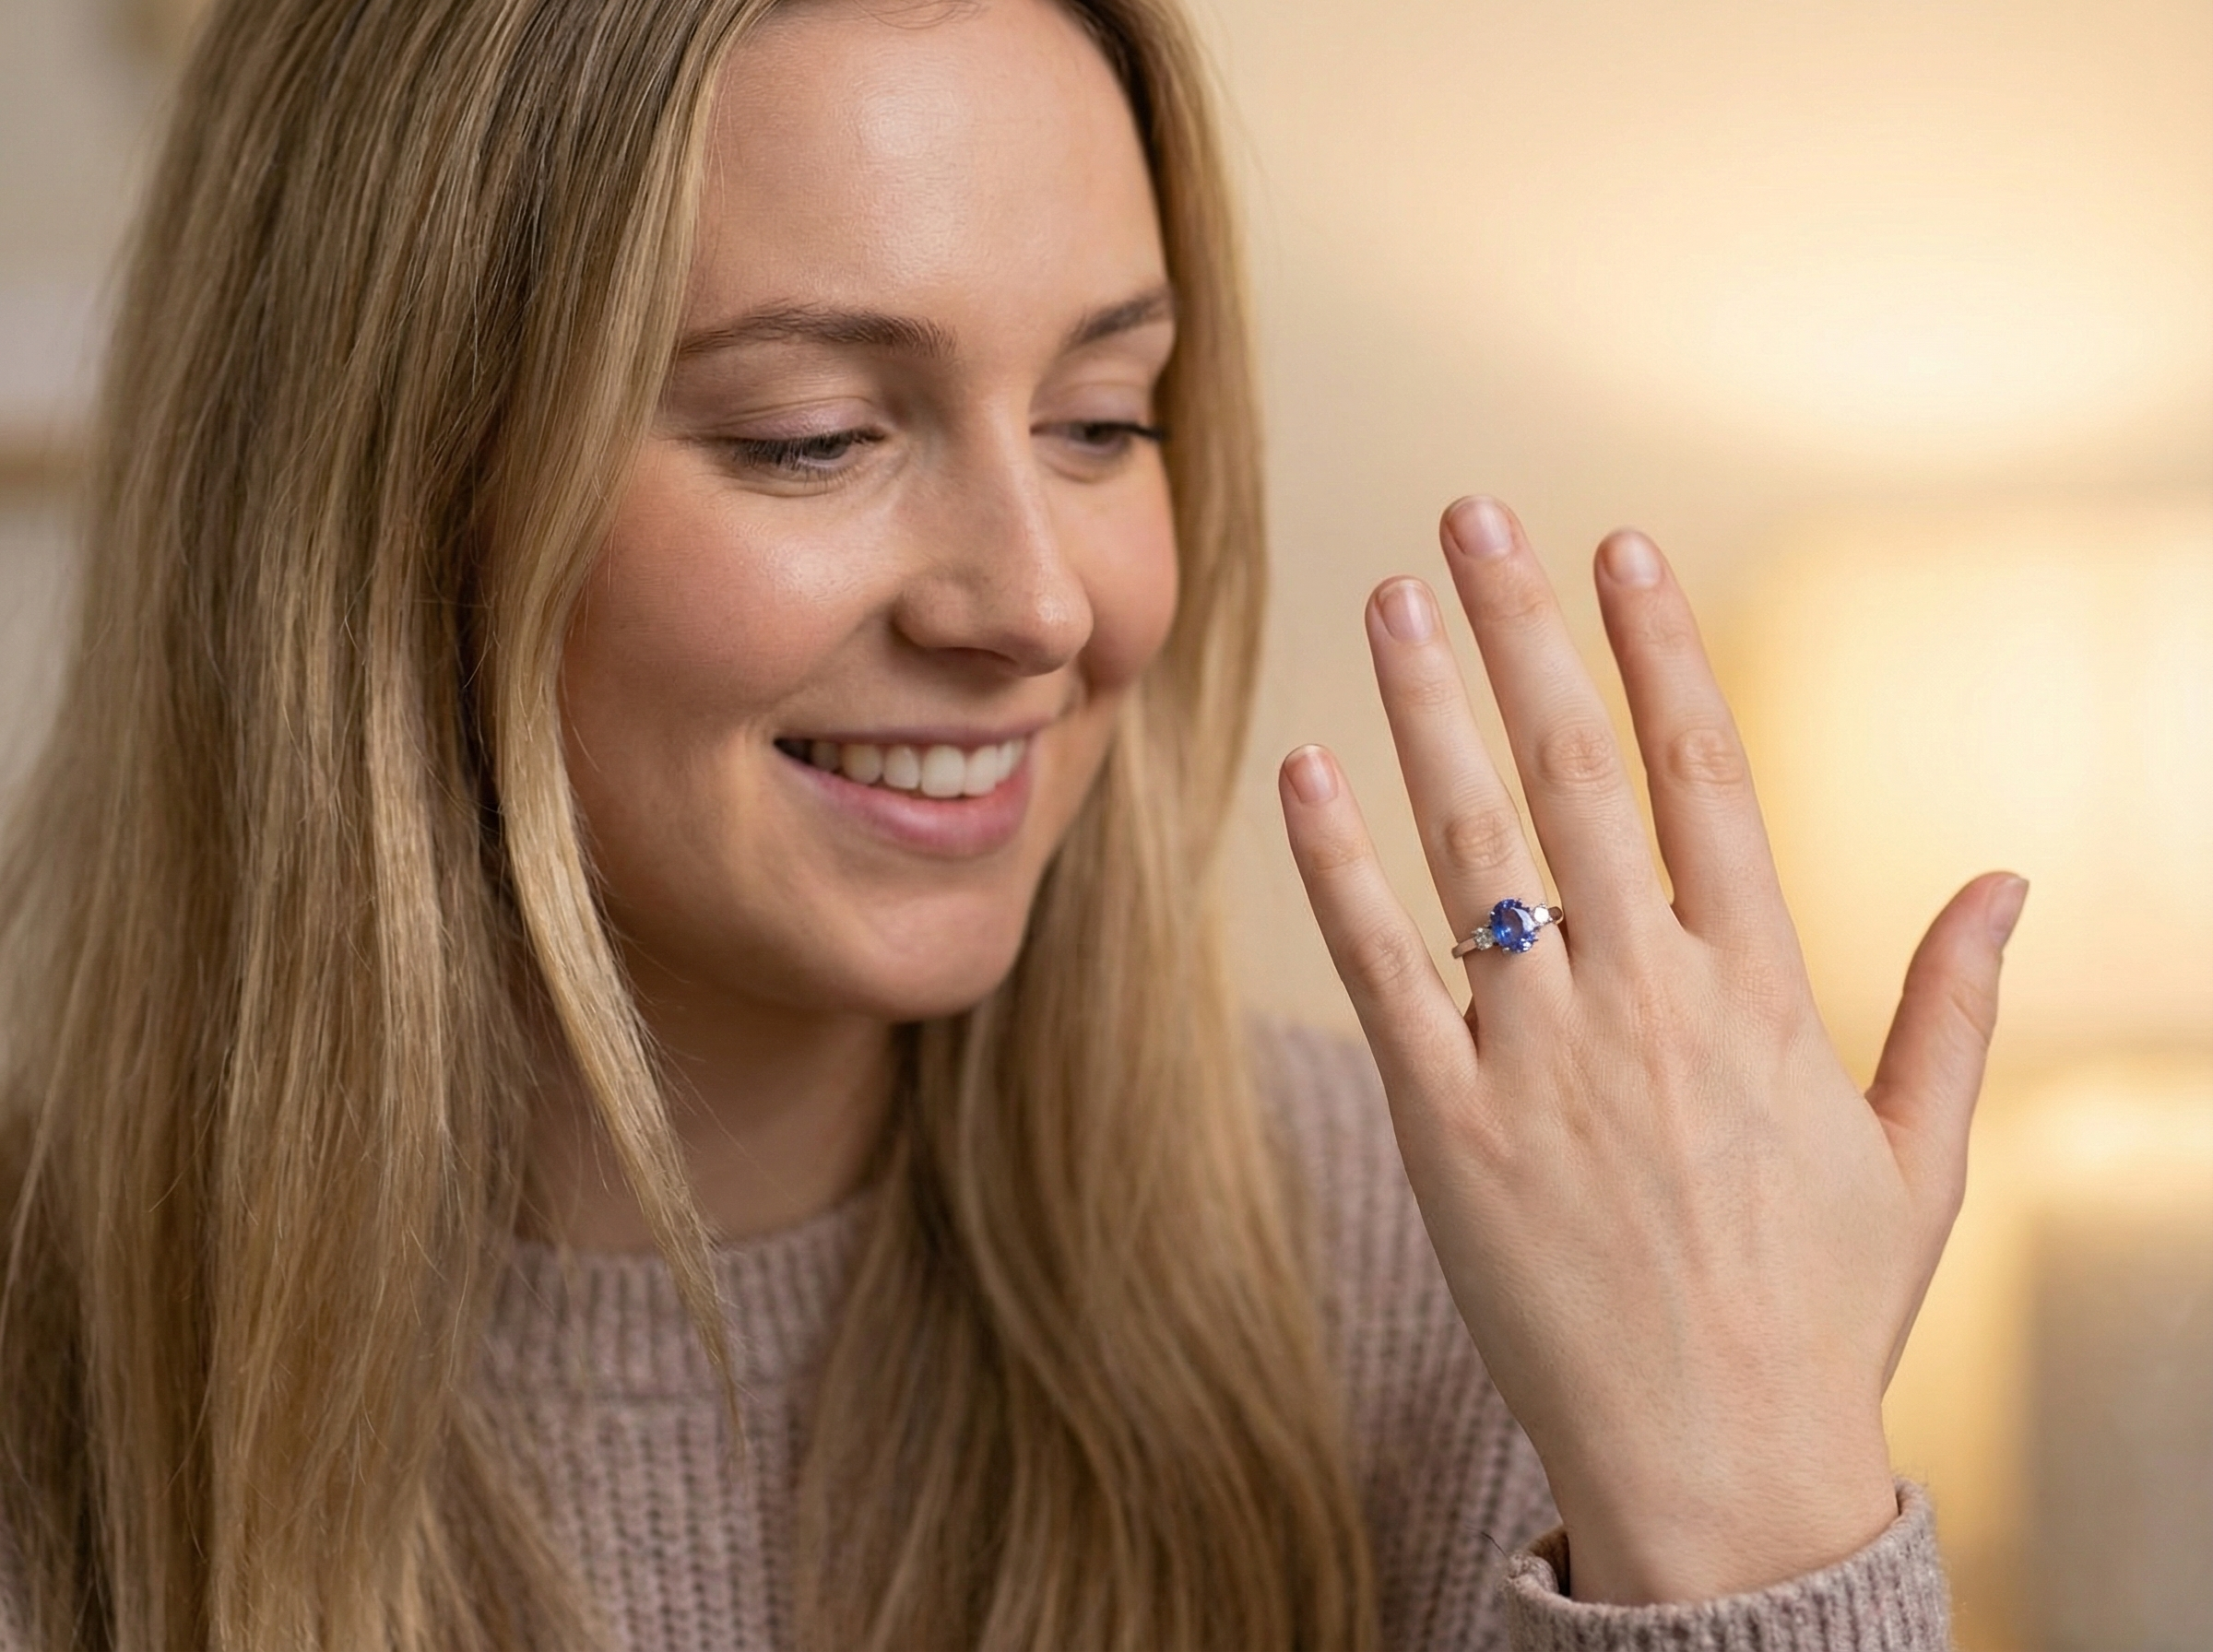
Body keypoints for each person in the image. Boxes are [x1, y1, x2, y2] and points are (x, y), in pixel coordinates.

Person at [0, 0, 2026, 1646]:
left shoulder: (1435, 1278)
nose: (1040, 601)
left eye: (1101, 421)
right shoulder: (47, 1381)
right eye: (817, 434)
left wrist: (1751, 1518)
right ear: (377, 499)